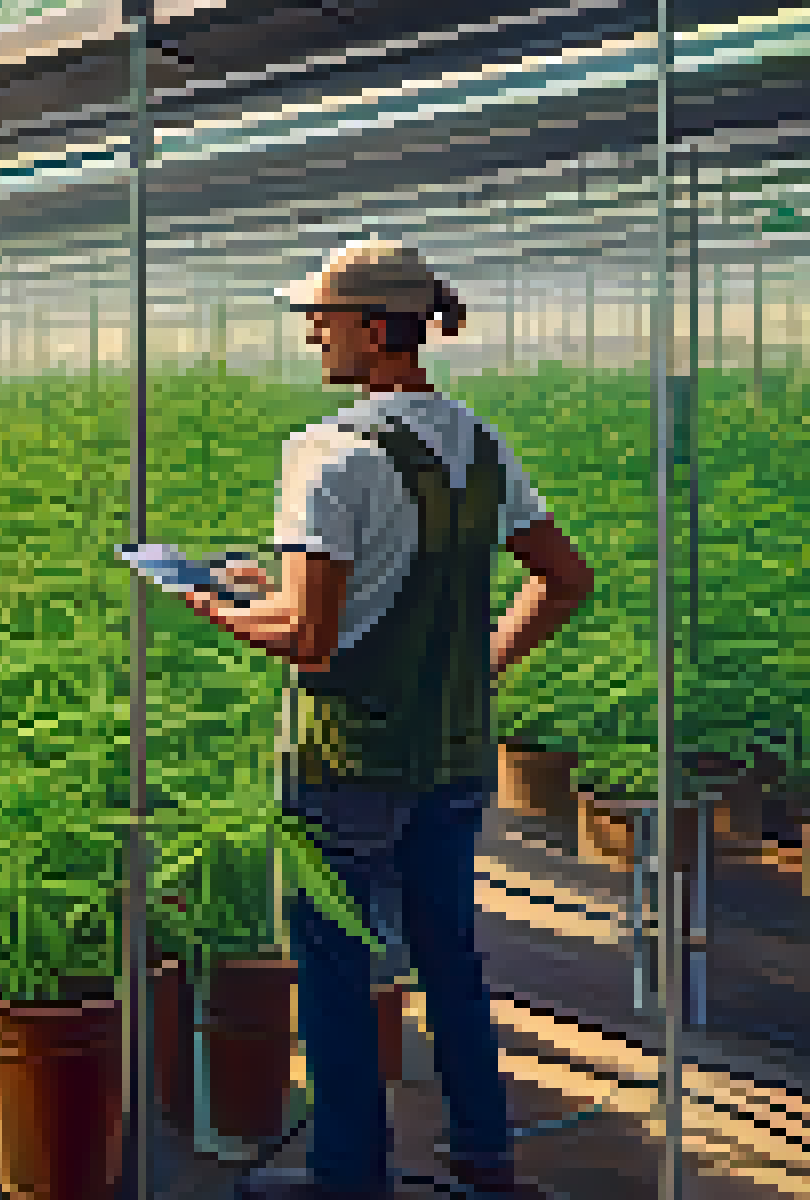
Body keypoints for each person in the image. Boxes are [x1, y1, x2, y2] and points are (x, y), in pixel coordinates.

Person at [183, 240, 596, 1200]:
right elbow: (565, 581)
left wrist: (217, 606)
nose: (314, 336)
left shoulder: (326, 453)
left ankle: (348, 1178)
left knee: (331, 970)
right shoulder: (482, 446)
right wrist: (476, 666)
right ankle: (483, 1156)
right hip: (452, 758)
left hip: (345, 760)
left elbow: (312, 638)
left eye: (324, 320)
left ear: (376, 329)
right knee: (451, 955)